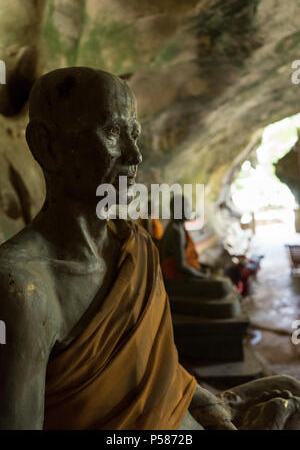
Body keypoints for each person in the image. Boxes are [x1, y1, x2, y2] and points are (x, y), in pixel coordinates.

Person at [0, 67, 299, 430]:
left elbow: (156, 371)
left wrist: (213, 403)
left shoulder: (135, 246)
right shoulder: (23, 287)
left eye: (134, 134)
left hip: (184, 419)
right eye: (111, 132)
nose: (134, 154)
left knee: (287, 388)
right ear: (48, 146)